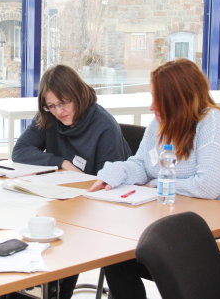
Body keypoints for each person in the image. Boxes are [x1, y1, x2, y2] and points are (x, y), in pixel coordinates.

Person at [89, 58, 220, 299]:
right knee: (115, 254)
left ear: (177, 98)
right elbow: (142, 164)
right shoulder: (159, 123)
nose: (151, 107)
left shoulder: (211, 121)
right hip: (173, 220)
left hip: (218, 236)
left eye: (157, 99)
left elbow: (209, 185)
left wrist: (158, 184)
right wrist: (114, 175)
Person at [12, 64, 131, 299]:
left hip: (100, 214)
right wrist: (60, 162)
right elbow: (20, 150)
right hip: (63, 205)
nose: (59, 111)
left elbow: (112, 179)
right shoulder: (48, 117)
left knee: (62, 245)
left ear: (78, 96)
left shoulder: (104, 126)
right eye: (52, 105)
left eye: (64, 103)